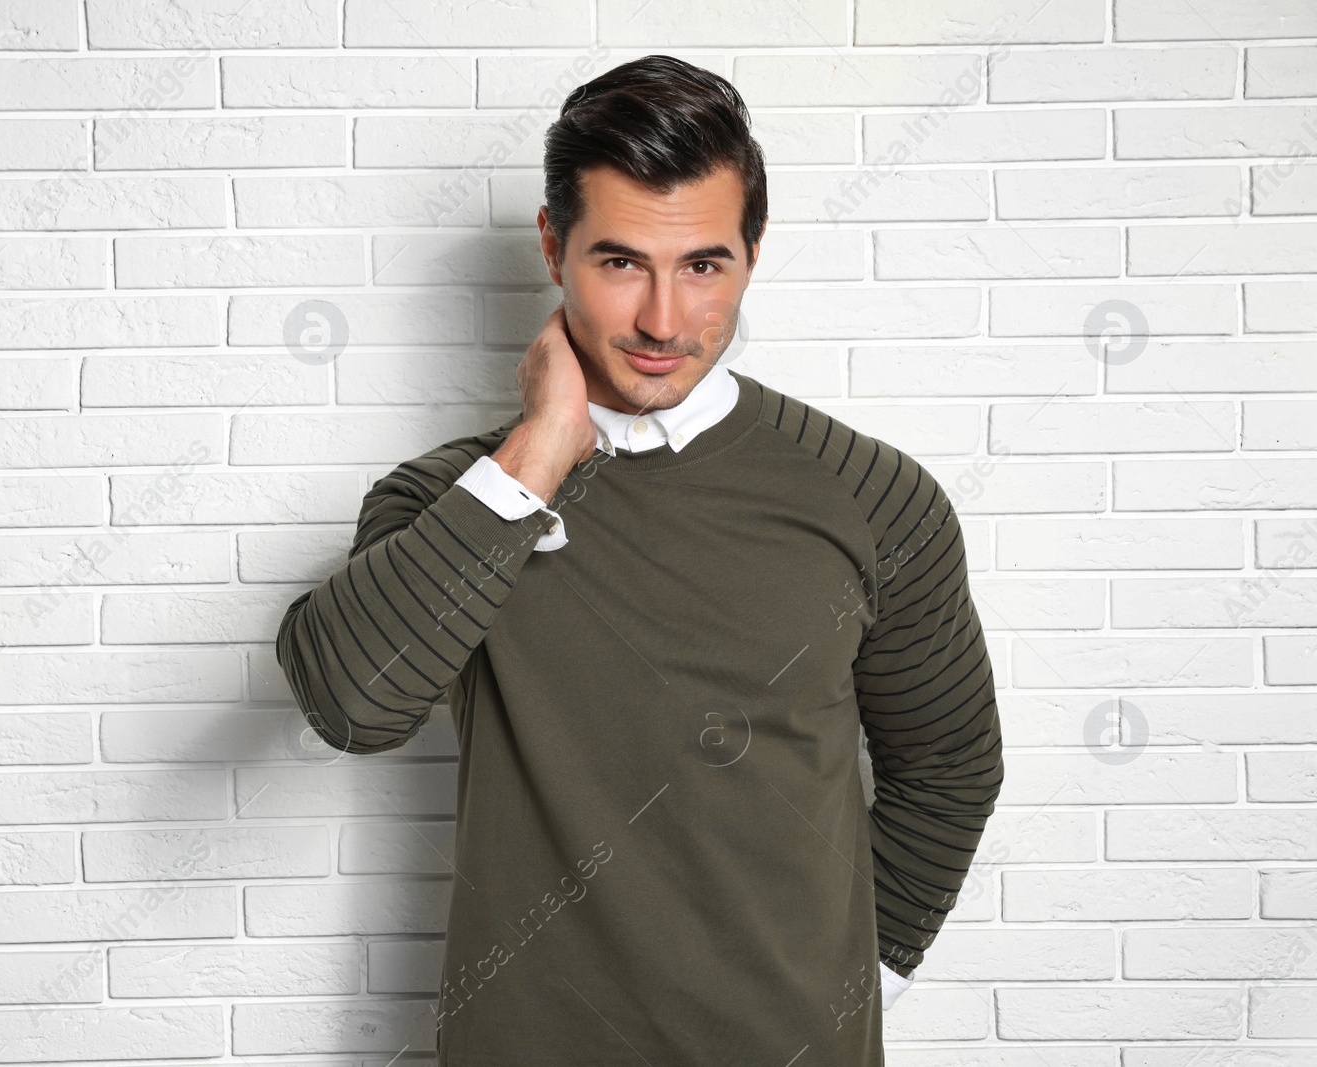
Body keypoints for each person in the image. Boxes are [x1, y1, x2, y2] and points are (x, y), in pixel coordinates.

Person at [276, 53, 1004, 1066]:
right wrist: (533, 458)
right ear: (552, 247)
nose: (663, 320)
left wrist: (844, 986)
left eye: (703, 264)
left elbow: (948, 768)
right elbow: (351, 703)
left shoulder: (874, 497)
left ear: (752, 253)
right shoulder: (454, 499)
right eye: (620, 262)